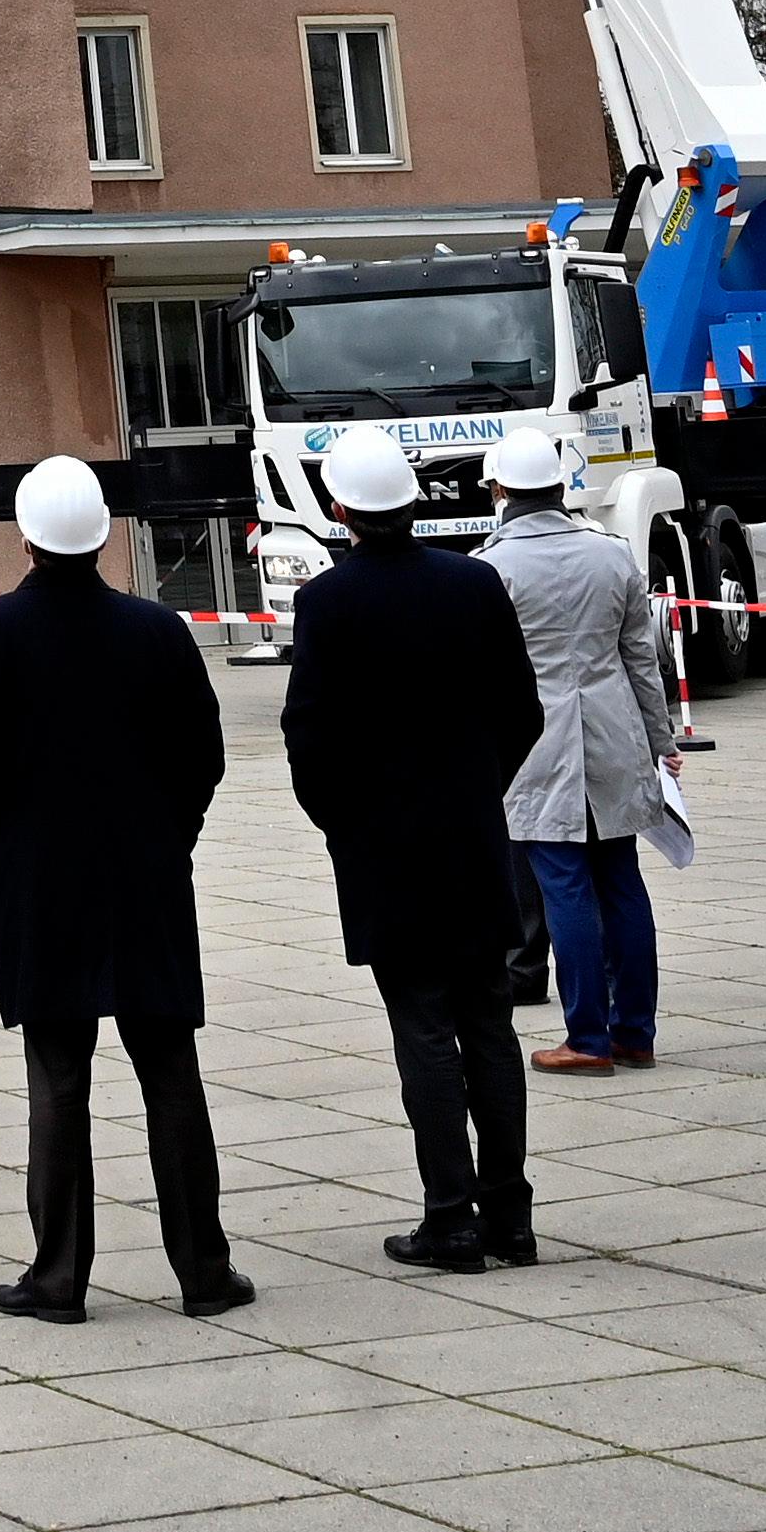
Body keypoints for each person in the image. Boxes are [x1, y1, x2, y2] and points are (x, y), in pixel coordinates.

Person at [0, 452, 246, 1322]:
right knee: (170, 1073)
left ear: (25, 539)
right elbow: (201, 758)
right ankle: (203, 1273)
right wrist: (166, 841)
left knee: (58, 1080)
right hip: (143, 880)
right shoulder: (157, 630)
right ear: (103, 538)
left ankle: (57, 1277)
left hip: (36, 887)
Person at [280, 426, 545, 1271]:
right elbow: (521, 709)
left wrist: (344, 823)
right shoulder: (475, 584)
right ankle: (509, 1213)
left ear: (339, 509)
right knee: (489, 1026)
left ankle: (449, 1216)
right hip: (472, 840)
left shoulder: (326, 601)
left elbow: (307, 735)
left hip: (385, 852)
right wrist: (480, 788)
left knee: (423, 1030)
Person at [480, 421, 681, 1079]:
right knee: (621, 880)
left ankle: (585, 1038)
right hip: (612, 732)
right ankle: (634, 1032)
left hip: (533, 740)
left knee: (562, 884)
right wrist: (661, 742)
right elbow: (642, 662)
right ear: (561, 486)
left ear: (501, 489)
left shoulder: (491, 568)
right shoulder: (611, 554)